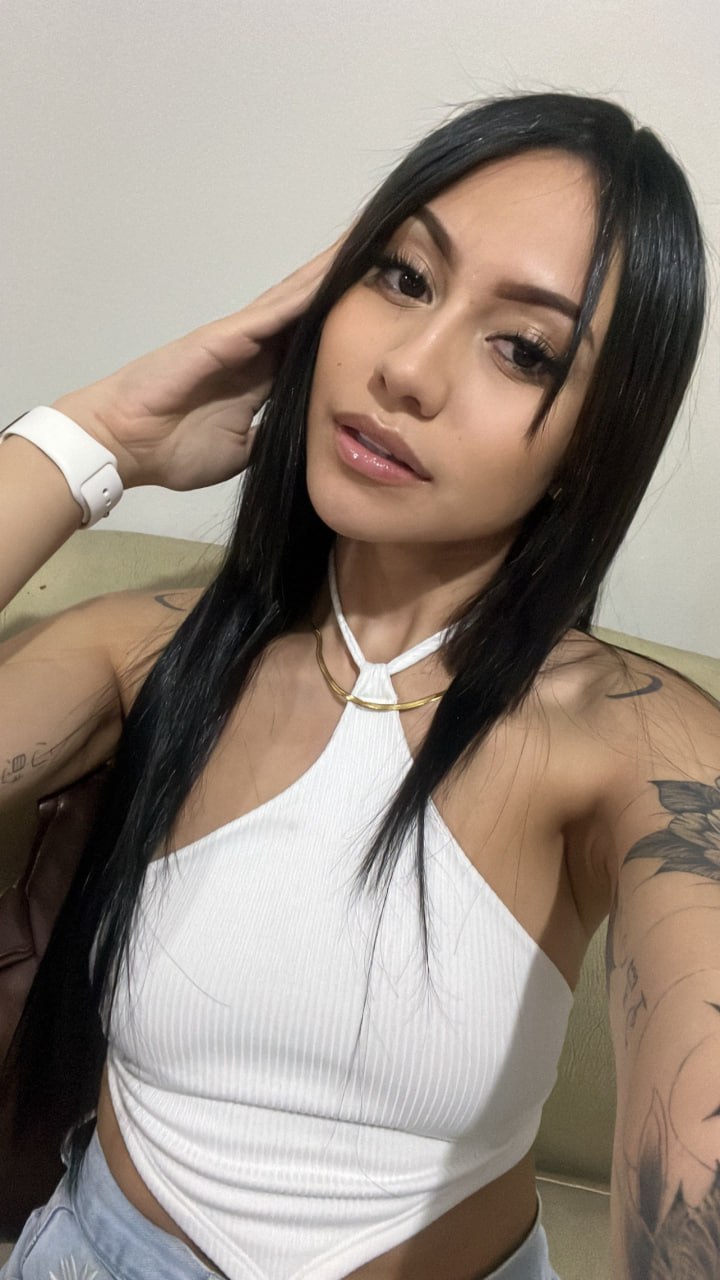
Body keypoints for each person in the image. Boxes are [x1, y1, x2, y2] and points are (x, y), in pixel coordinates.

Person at [0, 90, 717, 1280]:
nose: (407, 369)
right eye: (404, 277)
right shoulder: (148, 649)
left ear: (598, 439)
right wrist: (104, 436)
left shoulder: (635, 745)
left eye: (525, 349)